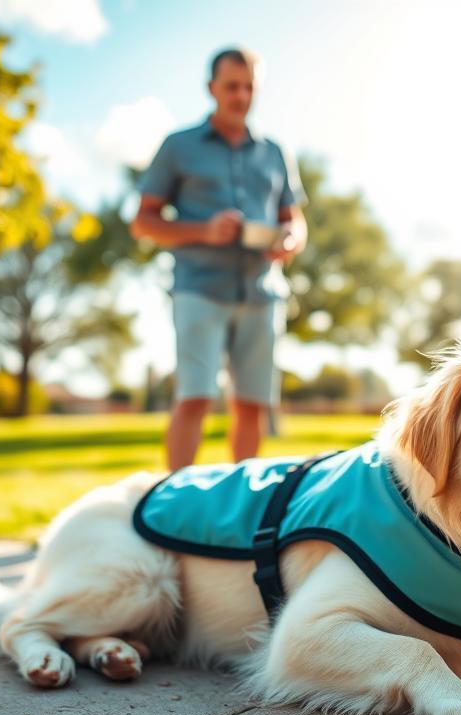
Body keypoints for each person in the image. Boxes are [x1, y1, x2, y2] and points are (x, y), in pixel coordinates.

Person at [131, 48, 307, 470]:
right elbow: (143, 222)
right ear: (211, 88)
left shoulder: (275, 152)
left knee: (252, 404)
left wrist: (289, 240)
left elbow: (295, 220)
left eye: (249, 87)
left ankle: (242, 503)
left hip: (262, 293)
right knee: (194, 397)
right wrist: (204, 231)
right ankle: (175, 500)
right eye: (232, 87)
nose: (241, 96)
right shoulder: (178, 146)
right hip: (199, 289)